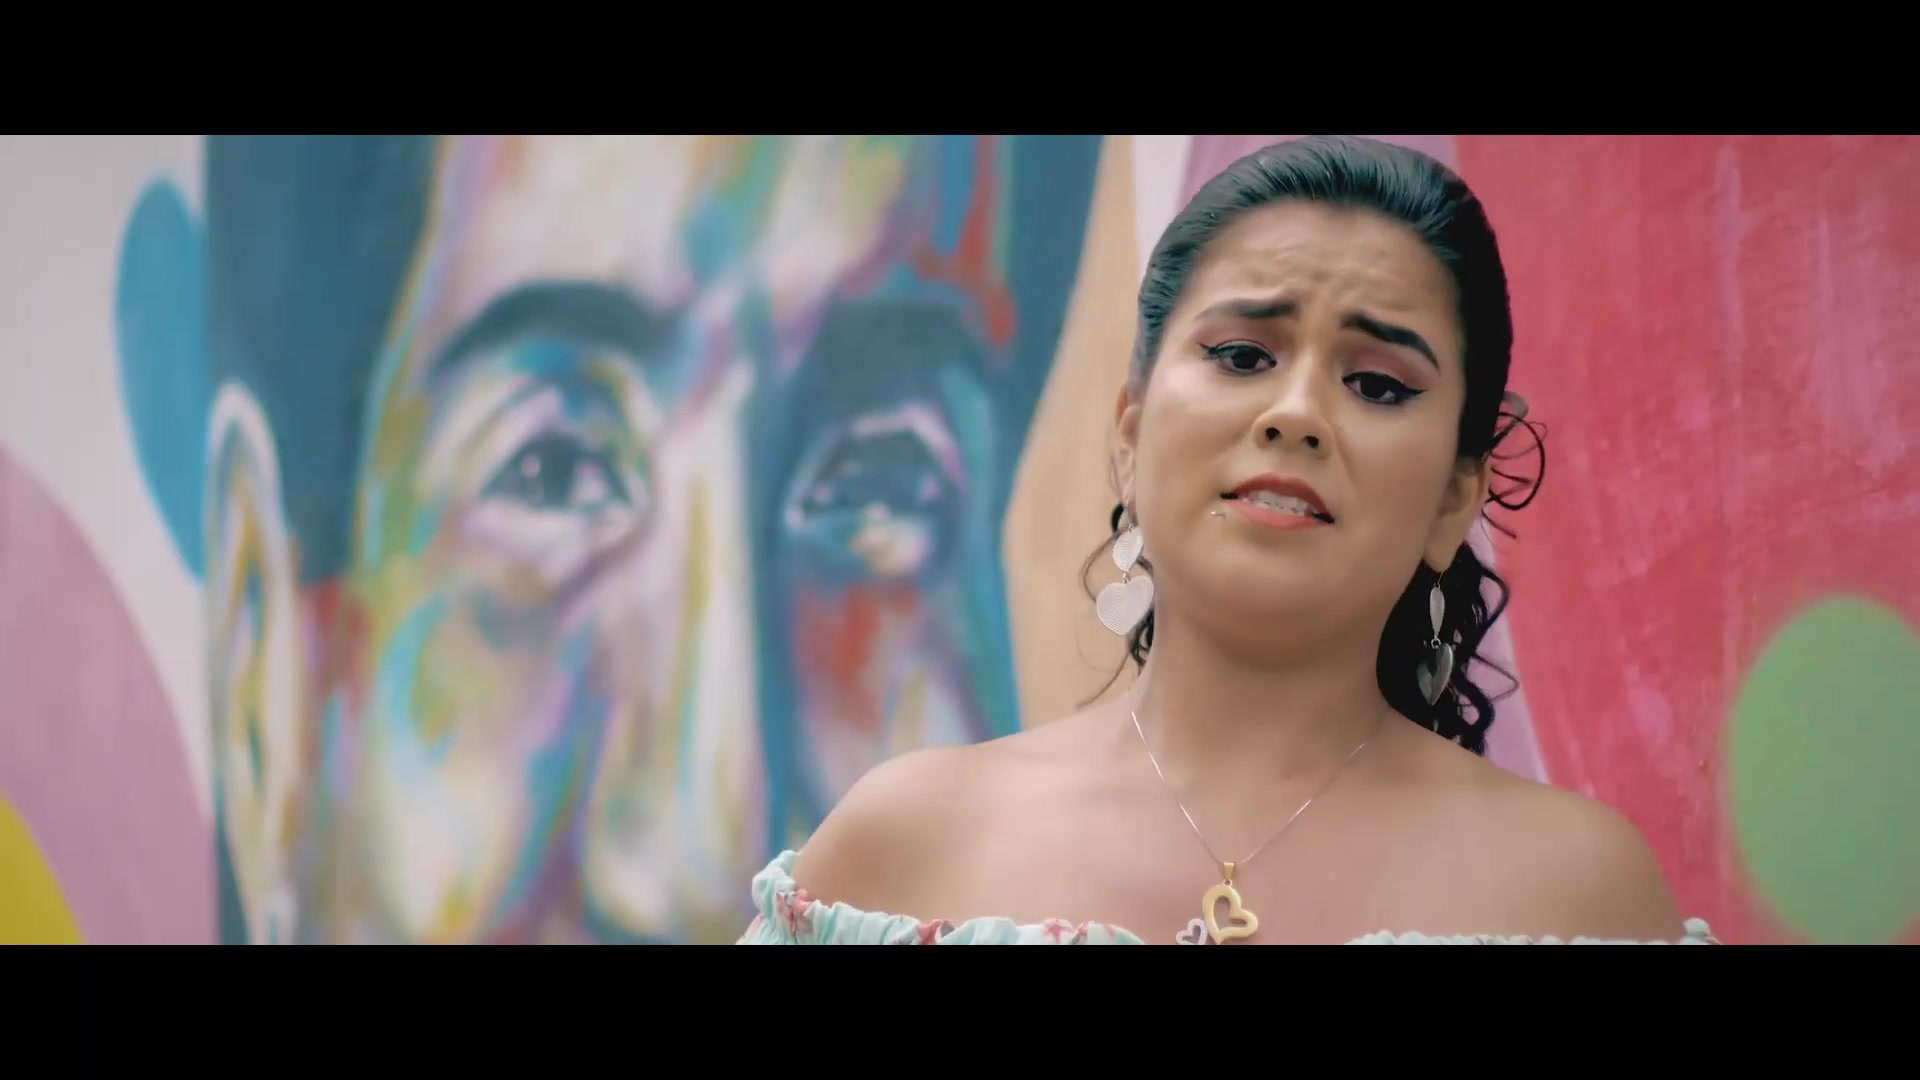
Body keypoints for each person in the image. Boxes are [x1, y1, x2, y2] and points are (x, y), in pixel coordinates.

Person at [737, 135, 1718, 945]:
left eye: (1378, 383)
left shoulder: (1578, 898)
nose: (1297, 413)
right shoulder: (899, 853)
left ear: (1455, 499)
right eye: (1243, 355)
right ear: (1130, 436)